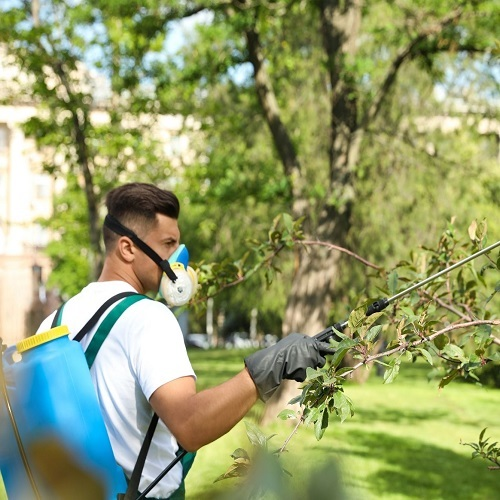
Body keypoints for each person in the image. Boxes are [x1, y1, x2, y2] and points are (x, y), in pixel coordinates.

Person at [36, 182, 332, 499]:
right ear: (127, 248)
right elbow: (190, 424)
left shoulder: (53, 321)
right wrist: (266, 369)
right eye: (168, 244)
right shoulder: (147, 318)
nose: (179, 257)